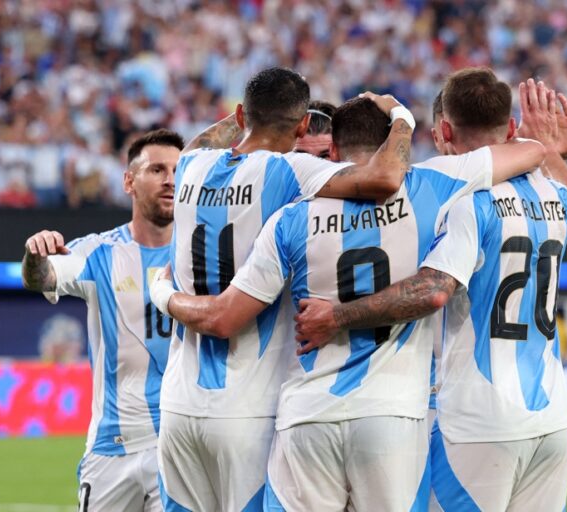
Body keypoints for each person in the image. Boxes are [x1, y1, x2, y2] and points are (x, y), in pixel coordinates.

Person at [150, 93, 546, 509]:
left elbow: (226, 314)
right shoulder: (432, 185)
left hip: (305, 415)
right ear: (395, 149)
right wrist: (399, 113)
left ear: (333, 151)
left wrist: (162, 291)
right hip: (391, 416)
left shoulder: (289, 217)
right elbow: (530, 151)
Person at [294, 71, 567, 511]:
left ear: (442, 132)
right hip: (551, 420)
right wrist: (557, 151)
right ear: (512, 129)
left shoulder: (462, 204)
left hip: (476, 420)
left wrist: (338, 316)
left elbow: (435, 290)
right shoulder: (554, 199)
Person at [155, 67, 418, 512]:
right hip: (248, 407)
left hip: (178, 406)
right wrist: (402, 118)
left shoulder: (191, 165)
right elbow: (386, 178)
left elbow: (204, 139)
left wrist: (161, 294)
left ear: (241, 114)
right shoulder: (291, 169)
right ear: (301, 128)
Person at [20, 123, 239, 512]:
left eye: (177, 171)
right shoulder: (98, 253)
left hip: (177, 446)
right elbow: (42, 279)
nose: (170, 181)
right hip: (110, 449)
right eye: (156, 170)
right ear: (129, 182)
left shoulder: (204, 254)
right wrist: (34, 256)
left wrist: (243, 120)